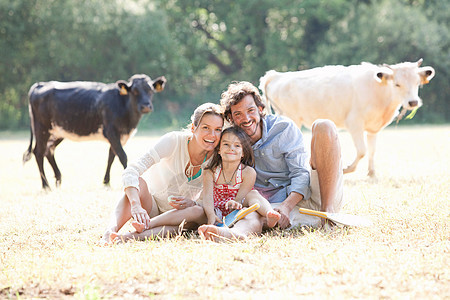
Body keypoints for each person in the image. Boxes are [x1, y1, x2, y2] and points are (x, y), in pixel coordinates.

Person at [199, 81, 344, 241]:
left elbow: (300, 173)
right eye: (238, 114)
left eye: (250, 110)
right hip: (272, 206)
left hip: (313, 196)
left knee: (324, 125)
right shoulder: (231, 141)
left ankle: (328, 214)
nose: (246, 118)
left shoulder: (283, 128)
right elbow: (212, 171)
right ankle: (235, 235)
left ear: (261, 110)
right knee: (253, 212)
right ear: (231, 118)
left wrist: (287, 206)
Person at [100, 102, 224, 244]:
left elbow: (207, 201)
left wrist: (192, 202)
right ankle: (110, 231)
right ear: (193, 128)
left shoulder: (218, 158)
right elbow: (132, 170)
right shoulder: (174, 141)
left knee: (197, 211)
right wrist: (136, 205)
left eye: (218, 129)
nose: (212, 135)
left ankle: (132, 236)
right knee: (138, 183)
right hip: (151, 207)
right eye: (206, 128)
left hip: (178, 217)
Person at [198, 126, 281, 232]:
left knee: (253, 194)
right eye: (226, 144)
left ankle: (269, 213)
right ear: (219, 149)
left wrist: (236, 203)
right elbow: (207, 197)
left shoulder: (248, 172)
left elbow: (240, 199)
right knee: (195, 210)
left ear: (243, 153)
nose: (231, 148)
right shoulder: (210, 171)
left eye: (237, 145)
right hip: (215, 210)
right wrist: (211, 216)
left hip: (237, 209)